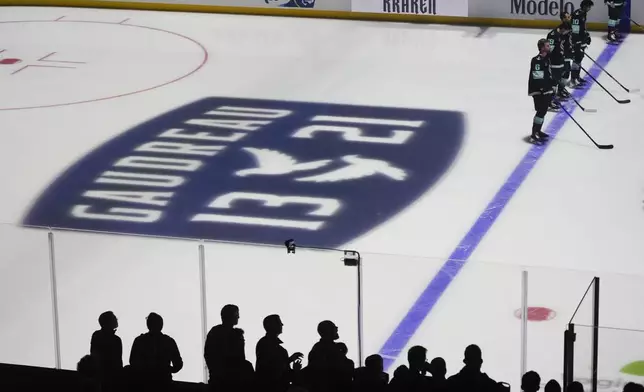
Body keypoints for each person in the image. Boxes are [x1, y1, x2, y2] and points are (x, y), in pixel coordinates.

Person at [129, 312, 183, 387]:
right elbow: (178, 364)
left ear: (148, 325)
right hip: (164, 381)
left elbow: (133, 362)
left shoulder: (139, 340)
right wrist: (166, 369)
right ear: (161, 325)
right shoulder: (169, 341)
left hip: (144, 382)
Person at [255, 314, 303, 392]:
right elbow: (273, 370)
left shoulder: (264, 344)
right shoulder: (268, 345)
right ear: (272, 326)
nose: (282, 324)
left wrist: (294, 368)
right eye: (279, 322)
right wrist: (290, 362)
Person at [528, 38, 554, 144]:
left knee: (543, 111)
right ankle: (534, 134)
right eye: (547, 46)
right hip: (538, 91)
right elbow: (537, 77)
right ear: (542, 48)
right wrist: (543, 88)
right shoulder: (537, 60)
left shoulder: (547, 58)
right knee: (540, 111)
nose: (549, 47)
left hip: (545, 89)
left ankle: (538, 130)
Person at [546, 22, 573, 105]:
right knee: (554, 81)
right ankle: (550, 100)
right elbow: (549, 50)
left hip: (560, 60)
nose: (567, 33)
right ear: (563, 29)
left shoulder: (560, 34)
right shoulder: (553, 35)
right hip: (554, 61)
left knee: (562, 76)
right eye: (567, 31)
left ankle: (557, 94)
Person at [571, 0, 594, 88]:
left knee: (580, 58)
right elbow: (575, 30)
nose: (589, 8)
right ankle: (573, 79)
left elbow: (582, 27)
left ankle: (577, 77)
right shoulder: (577, 15)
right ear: (584, 6)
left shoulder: (583, 13)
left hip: (582, 40)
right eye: (589, 6)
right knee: (576, 59)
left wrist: (586, 35)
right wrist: (577, 42)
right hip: (577, 41)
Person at [560, 12, 575, 89]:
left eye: (569, 17)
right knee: (564, 71)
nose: (569, 18)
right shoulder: (561, 29)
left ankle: (562, 88)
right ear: (563, 19)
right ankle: (560, 89)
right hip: (563, 53)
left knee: (567, 71)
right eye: (567, 17)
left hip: (568, 52)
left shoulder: (570, 26)